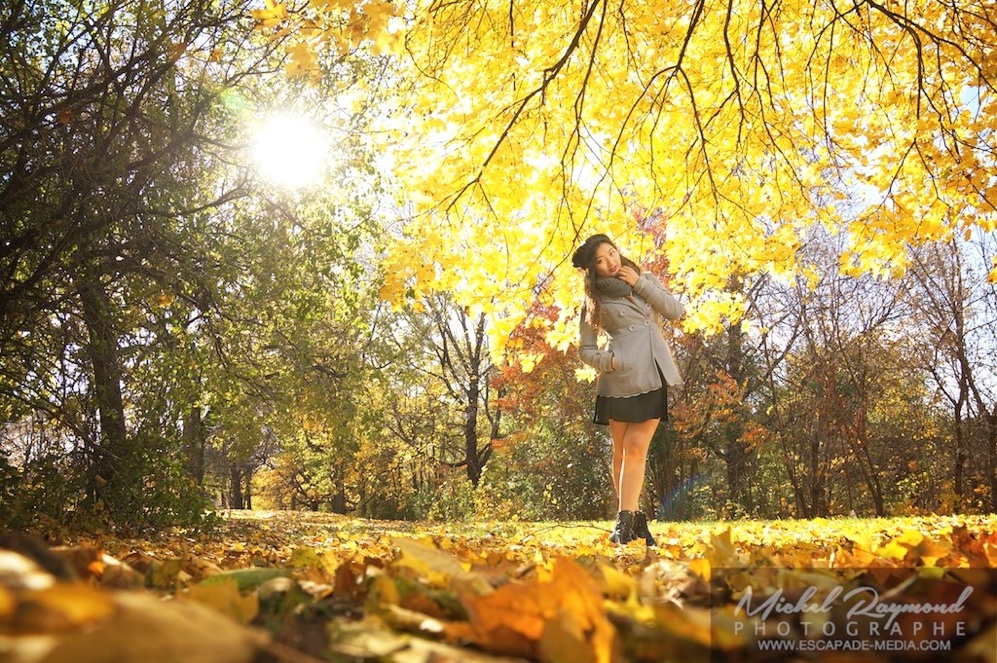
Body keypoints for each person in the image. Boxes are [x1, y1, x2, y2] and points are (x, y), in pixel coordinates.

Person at [572, 233, 684, 545]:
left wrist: (639, 283)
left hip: (652, 372)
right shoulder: (593, 300)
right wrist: (610, 361)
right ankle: (635, 521)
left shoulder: (643, 280)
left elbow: (675, 311)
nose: (610, 262)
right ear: (593, 269)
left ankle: (623, 524)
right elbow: (585, 349)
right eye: (601, 260)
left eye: (612, 253)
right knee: (621, 455)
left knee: (635, 448)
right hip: (619, 379)